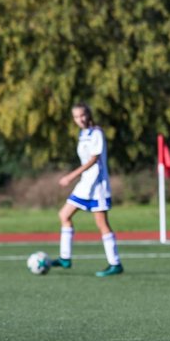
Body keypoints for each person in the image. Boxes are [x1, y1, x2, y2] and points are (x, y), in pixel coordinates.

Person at [48, 102, 124, 277]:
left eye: (82, 115)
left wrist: (70, 176)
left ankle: (115, 263)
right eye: (75, 117)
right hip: (84, 185)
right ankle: (65, 258)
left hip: (97, 186)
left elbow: (93, 160)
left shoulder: (97, 133)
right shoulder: (83, 134)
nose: (79, 119)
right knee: (64, 215)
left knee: (101, 224)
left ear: (88, 115)